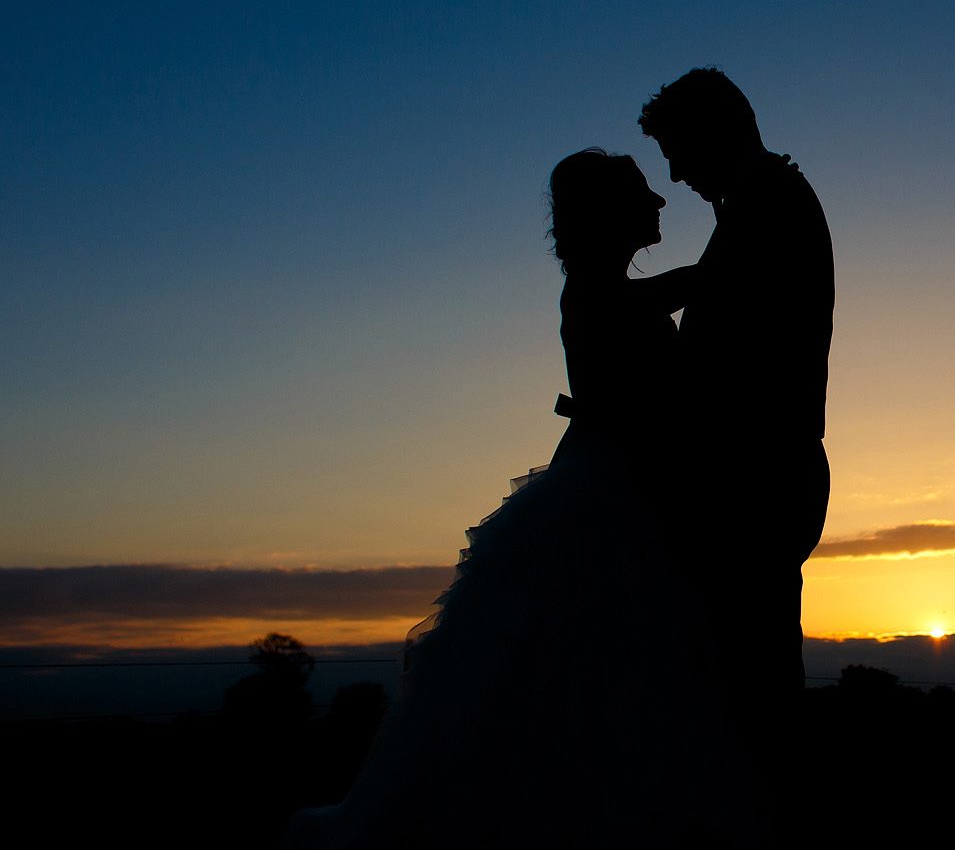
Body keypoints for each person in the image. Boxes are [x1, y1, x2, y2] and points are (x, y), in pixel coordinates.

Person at [281, 150, 749, 848]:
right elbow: (699, 283)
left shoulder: (602, 285)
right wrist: (743, 213)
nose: (659, 202)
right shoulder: (593, 290)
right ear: (606, 213)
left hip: (617, 483)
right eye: (642, 193)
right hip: (610, 495)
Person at [638, 68, 834, 735]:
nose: (671, 176)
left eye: (676, 152)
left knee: (751, 697)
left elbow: (735, 363)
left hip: (758, 481)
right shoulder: (761, 203)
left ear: (711, 135)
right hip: (761, 477)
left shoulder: (768, 206)